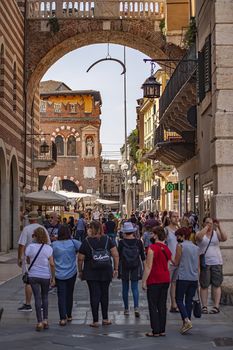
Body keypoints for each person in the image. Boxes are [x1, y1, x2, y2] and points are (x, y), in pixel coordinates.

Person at [78, 221, 119, 327]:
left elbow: (80, 258)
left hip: (91, 272)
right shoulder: (107, 240)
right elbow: (115, 255)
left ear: (92, 229)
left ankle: (95, 320)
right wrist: (116, 268)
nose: (88, 230)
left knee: (94, 295)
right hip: (106, 271)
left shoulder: (86, 242)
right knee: (105, 294)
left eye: (89, 228)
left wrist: (80, 271)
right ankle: (105, 318)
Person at [17, 211, 50, 312]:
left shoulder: (26, 229)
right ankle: (40, 304)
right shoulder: (43, 228)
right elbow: (48, 243)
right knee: (40, 281)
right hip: (42, 258)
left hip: (29, 258)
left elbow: (21, 245)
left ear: (29, 219)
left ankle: (28, 304)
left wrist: (19, 258)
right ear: (37, 219)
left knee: (29, 281)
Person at [142, 226, 172, 337]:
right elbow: (168, 265)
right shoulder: (167, 249)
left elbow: (148, 267)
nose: (150, 236)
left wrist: (144, 281)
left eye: (152, 234)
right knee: (162, 305)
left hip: (154, 279)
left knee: (153, 305)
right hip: (165, 279)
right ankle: (162, 329)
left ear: (155, 235)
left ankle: (155, 330)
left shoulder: (152, 248)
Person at [25, 227, 55, 331]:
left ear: (35, 236)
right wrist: (53, 277)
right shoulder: (48, 248)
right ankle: (46, 320)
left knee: (37, 298)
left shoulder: (30, 247)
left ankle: (39, 322)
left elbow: (28, 260)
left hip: (33, 275)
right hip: (45, 276)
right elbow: (51, 264)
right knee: (45, 297)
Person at [196, 217, 227, 314]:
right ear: (203, 224)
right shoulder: (199, 233)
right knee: (204, 285)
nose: (210, 224)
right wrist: (207, 227)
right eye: (207, 222)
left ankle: (216, 306)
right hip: (205, 263)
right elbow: (199, 238)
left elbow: (224, 238)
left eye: (211, 222)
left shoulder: (215, 233)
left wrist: (219, 226)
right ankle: (204, 306)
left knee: (216, 284)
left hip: (217, 262)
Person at [52, 225, 81, 325]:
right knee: (70, 294)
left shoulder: (54, 245)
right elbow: (84, 248)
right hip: (71, 272)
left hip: (58, 273)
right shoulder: (73, 243)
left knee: (61, 295)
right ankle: (69, 315)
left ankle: (62, 318)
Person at [174, 227, 200, 334]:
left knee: (179, 299)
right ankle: (187, 322)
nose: (177, 238)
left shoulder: (180, 246)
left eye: (178, 236)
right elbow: (198, 266)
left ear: (183, 236)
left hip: (183, 276)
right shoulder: (196, 247)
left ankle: (186, 320)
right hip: (193, 278)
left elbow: (176, 262)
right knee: (189, 300)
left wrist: (171, 261)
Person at [118, 222, 145, 317]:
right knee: (135, 288)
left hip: (124, 267)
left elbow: (119, 256)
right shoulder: (138, 242)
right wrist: (145, 269)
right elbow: (143, 257)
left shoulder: (121, 243)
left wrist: (116, 269)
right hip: (136, 266)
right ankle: (136, 307)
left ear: (124, 232)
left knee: (125, 288)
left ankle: (126, 309)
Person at [164, 211, 180, 312]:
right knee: (166, 283)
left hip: (178, 260)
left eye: (177, 216)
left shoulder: (179, 230)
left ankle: (173, 304)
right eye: (174, 216)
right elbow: (163, 245)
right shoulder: (166, 230)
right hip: (169, 261)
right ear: (170, 218)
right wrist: (168, 258)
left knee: (174, 283)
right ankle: (164, 303)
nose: (176, 218)